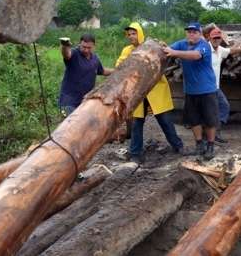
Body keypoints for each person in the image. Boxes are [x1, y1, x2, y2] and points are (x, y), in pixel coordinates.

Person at [116, 22, 185, 163]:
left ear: (140, 33)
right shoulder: (127, 50)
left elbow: (167, 56)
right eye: (129, 34)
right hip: (138, 92)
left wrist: (164, 47)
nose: (131, 36)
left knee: (165, 120)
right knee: (137, 123)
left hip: (155, 89)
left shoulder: (152, 46)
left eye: (133, 33)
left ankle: (178, 146)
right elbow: (119, 65)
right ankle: (135, 153)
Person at [163, 22, 219, 160]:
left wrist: (174, 53)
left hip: (207, 89)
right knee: (194, 120)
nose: (191, 34)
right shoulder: (182, 43)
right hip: (191, 91)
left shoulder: (204, 45)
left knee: (210, 120)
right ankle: (199, 145)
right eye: (189, 32)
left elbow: (195, 56)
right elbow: (168, 49)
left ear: (200, 34)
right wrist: (162, 47)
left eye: (194, 32)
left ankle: (210, 146)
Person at [207, 26, 241, 143]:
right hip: (206, 88)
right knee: (209, 112)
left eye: (218, 38)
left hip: (215, 88)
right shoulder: (205, 49)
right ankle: (208, 138)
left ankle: (215, 133)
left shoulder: (219, 49)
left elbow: (231, 51)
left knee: (224, 107)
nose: (216, 39)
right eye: (214, 38)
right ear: (209, 38)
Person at [58, 34, 113, 116]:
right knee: (72, 125)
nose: (86, 50)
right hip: (69, 102)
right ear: (79, 44)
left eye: (89, 48)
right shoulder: (74, 54)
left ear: (94, 46)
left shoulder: (95, 58)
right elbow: (66, 55)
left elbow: (102, 71)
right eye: (84, 47)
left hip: (85, 101)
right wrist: (65, 45)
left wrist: (117, 70)